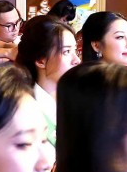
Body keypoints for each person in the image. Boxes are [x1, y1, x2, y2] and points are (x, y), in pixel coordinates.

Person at [17, 15, 80, 146]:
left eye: (75, 50)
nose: (77, 60)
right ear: (41, 60)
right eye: (66, 51)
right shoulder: (26, 109)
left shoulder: (76, 98)